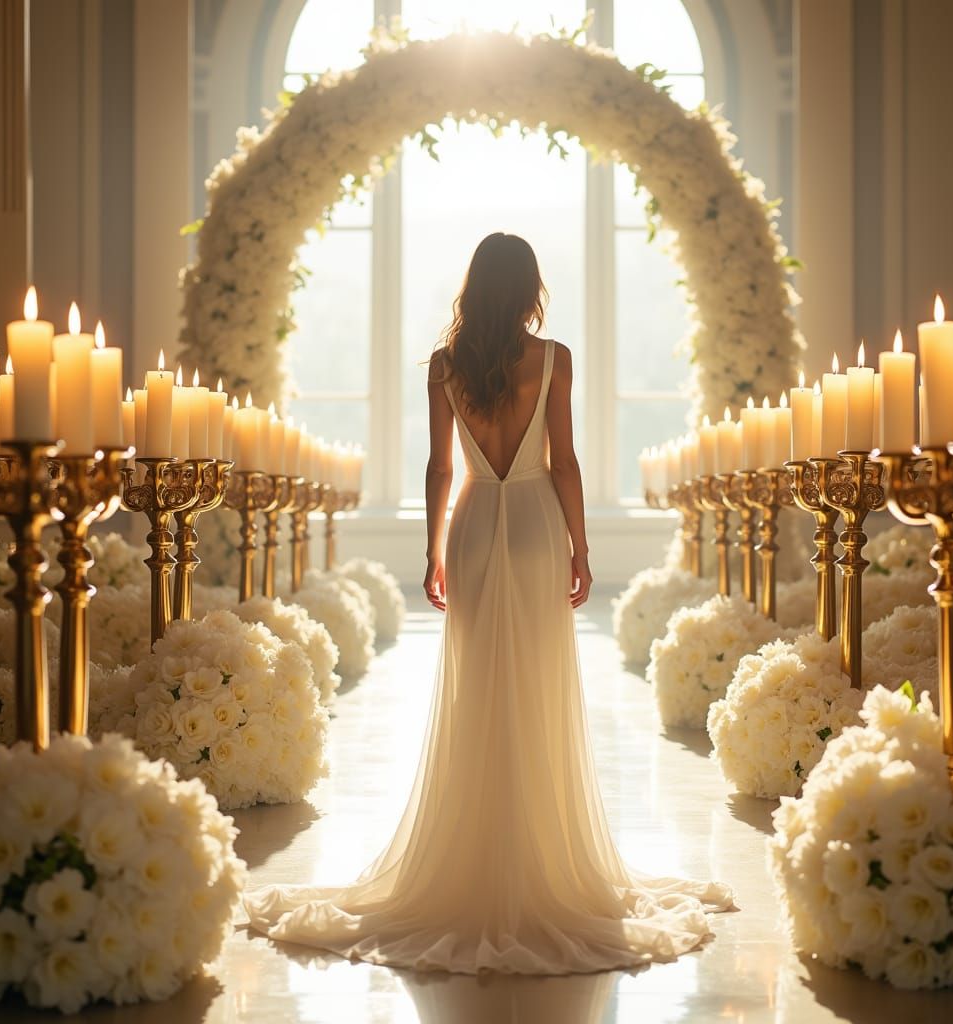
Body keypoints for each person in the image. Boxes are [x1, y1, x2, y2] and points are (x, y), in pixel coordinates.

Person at [243, 233, 732, 974]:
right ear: (531, 286)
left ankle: (473, 846)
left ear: (473, 289)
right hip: (536, 523)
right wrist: (582, 549)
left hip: (473, 526)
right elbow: (562, 460)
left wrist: (434, 553)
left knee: (475, 686)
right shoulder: (554, 359)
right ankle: (541, 851)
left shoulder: (446, 367)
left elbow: (440, 467)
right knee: (537, 685)